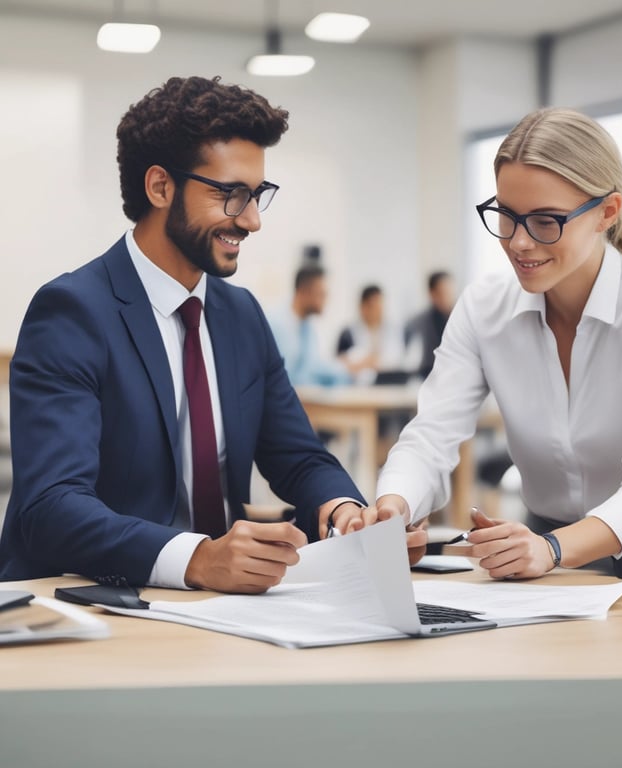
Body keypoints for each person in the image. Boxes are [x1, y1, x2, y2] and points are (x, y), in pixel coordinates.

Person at [0, 75, 377, 593]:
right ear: (160, 187)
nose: (251, 221)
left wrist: (344, 512)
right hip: (101, 598)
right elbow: (52, 506)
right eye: (230, 194)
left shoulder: (241, 314)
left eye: (257, 195)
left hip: (227, 607)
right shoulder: (72, 312)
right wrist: (197, 558)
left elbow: (298, 456)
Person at [372, 106, 622, 587]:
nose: (519, 243)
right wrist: (393, 506)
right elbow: (431, 436)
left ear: (607, 212)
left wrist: (552, 549)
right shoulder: (484, 307)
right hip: (544, 536)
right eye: (506, 216)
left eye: (545, 221)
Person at [268, 263, 352, 387]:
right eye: (321, 294)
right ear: (304, 292)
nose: (326, 299)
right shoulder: (275, 324)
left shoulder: (307, 328)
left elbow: (313, 368)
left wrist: (345, 368)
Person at [337, 284, 409, 384]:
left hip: (389, 382)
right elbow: (342, 364)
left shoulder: (393, 329)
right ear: (362, 307)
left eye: (380, 305)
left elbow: (398, 358)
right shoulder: (348, 333)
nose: (378, 310)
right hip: (358, 388)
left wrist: (374, 362)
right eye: (373, 306)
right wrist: (365, 362)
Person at [404, 271, 456, 379]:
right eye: (443, 293)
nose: (448, 297)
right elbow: (411, 360)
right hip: (426, 377)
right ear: (431, 293)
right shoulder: (417, 323)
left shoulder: (462, 319)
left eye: (450, 292)